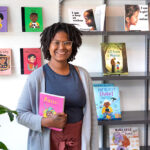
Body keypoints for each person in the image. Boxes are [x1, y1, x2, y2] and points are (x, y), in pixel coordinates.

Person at [17, 22, 99, 150]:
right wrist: (46, 122)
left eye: (67, 43)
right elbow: (21, 114)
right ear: (48, 45)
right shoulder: (36, 77)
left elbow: (92, 117)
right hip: (48, 143)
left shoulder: (83, 75)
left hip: (78, 141)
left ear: (73, 45)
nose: (62, 47)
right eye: (56, 42)